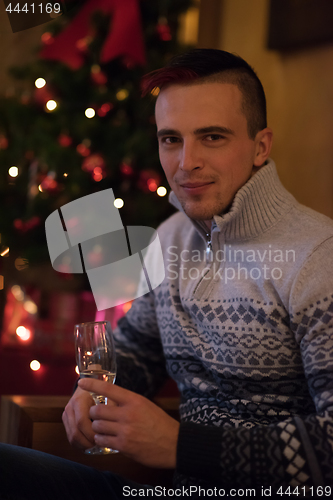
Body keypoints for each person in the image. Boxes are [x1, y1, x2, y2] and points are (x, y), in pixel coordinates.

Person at [1, 48, 333, 499]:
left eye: (212, 137)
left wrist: (182, 446)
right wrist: (95, 392)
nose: (185, 162)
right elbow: (137, 347)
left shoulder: (318, 258)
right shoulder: (171, 236)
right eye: (170, 139)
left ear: (261, 146)